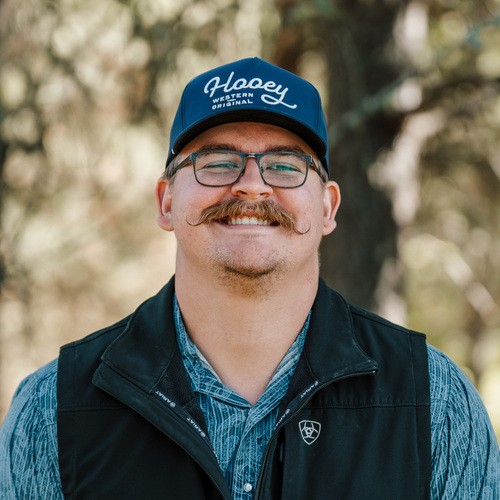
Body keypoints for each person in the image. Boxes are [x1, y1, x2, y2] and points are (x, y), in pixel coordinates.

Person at [0, 57, 498, 499]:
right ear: (167, 202)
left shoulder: (435, 402)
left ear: (327, 208)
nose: (252, 186)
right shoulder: (54, 409)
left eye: (285, 165)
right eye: (218, 163)